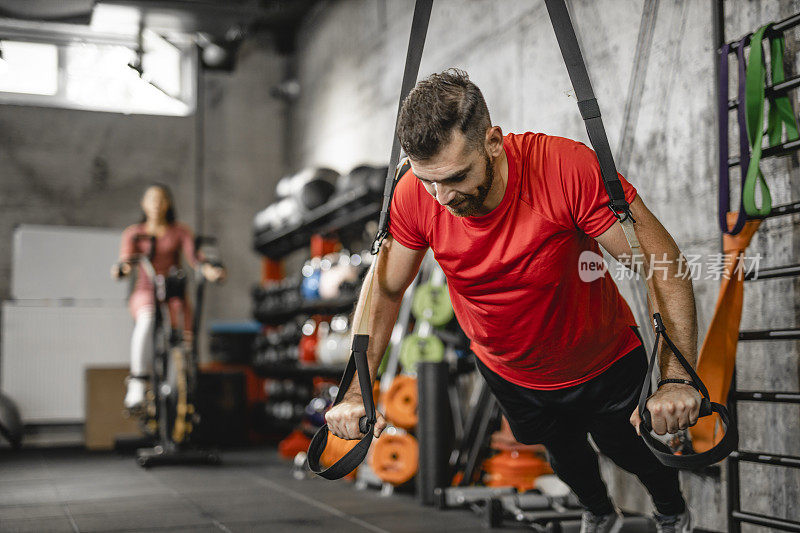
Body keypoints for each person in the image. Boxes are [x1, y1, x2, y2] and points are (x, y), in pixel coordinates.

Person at [325, 70, 698, 533]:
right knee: (563, 454)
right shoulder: (415, 195)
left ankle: (670, 509)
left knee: (627, 447)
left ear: (494, 142)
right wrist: (358, 390)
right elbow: (384, 287)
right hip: (508, 368)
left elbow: (663, 263)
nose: (442, 198)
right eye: (428, 182)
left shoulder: (563, 169)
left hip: (601, 356)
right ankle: (600, 513)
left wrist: (677, 375)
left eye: (456, 177)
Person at [112, 184, 224, 410]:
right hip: (146, 291)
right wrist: (122, 269)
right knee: (147, 320)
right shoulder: (135, 233)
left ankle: (183, 380)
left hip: (173, 295)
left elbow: (195, 258)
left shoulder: (180, 231)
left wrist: (210, 270)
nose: (156, 204)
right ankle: (138, 381)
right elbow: (126, 261)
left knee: (184, 336)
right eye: (152, 199)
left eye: (161, 199)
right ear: (144, 204)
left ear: (168, 204)